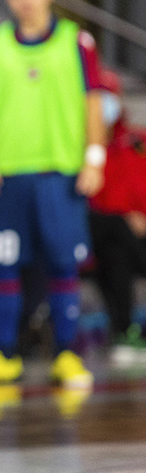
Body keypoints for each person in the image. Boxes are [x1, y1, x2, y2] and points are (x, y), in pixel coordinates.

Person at [0, 0, 105, 389]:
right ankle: (3, 355)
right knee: (2, 264)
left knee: (64, 265)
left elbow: (93, 101)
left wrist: (94, 156)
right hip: (8, 175)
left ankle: (66, 354)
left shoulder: (77, 43)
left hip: (60, 173)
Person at [88, 69, 146, 361]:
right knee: (113, 227)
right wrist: (126, 218)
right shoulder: (78, 144)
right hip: (91, 225)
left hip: (128, 234)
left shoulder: (137, 142)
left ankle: (125, 333)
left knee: (116, 255)